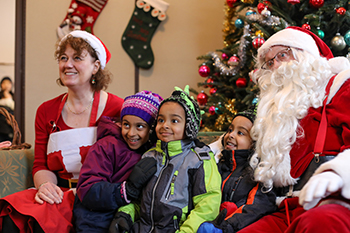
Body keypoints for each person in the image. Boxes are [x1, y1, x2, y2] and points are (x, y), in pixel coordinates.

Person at [0, 30, 124, 233]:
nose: (67, 64)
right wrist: (46, 187)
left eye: (77, 58)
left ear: (96, 66)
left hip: (99, 198)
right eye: (63, 58)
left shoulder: (118, 108)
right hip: (60, 194)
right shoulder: (45, 111)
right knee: (14, 216)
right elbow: (41, 164)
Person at [236, 26, 350, 233]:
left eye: (282, 55)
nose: (276, 66)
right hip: (287, 210)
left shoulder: (340, 88)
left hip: (336, 203)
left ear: (304, 55)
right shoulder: (278, 112)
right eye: (269, 62)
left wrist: (339, 173)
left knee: (320, 223)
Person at [109, 85, 222, 233]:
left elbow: (207, 204)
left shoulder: (199, 159)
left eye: (174, 121)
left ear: (188, 126)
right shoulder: (150, 156)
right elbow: (140, 201)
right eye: (161, 120)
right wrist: (125, 214)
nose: (165, 126)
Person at [73, 91, 163, 232]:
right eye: (126, 125)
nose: (131, 133)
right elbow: (87, 189)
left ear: (151, 129)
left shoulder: (155, 153)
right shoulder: (106, 146)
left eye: (139, 126)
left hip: (132, 221)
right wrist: (125, 191)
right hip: (96, 221)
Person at [197, 104, 277, 233]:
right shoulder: (218, 165)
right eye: (230, 130)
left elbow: (257, 206)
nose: (231, 135)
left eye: (240, 133)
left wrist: (226, 226)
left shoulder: (259, 173)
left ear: (255, 143)